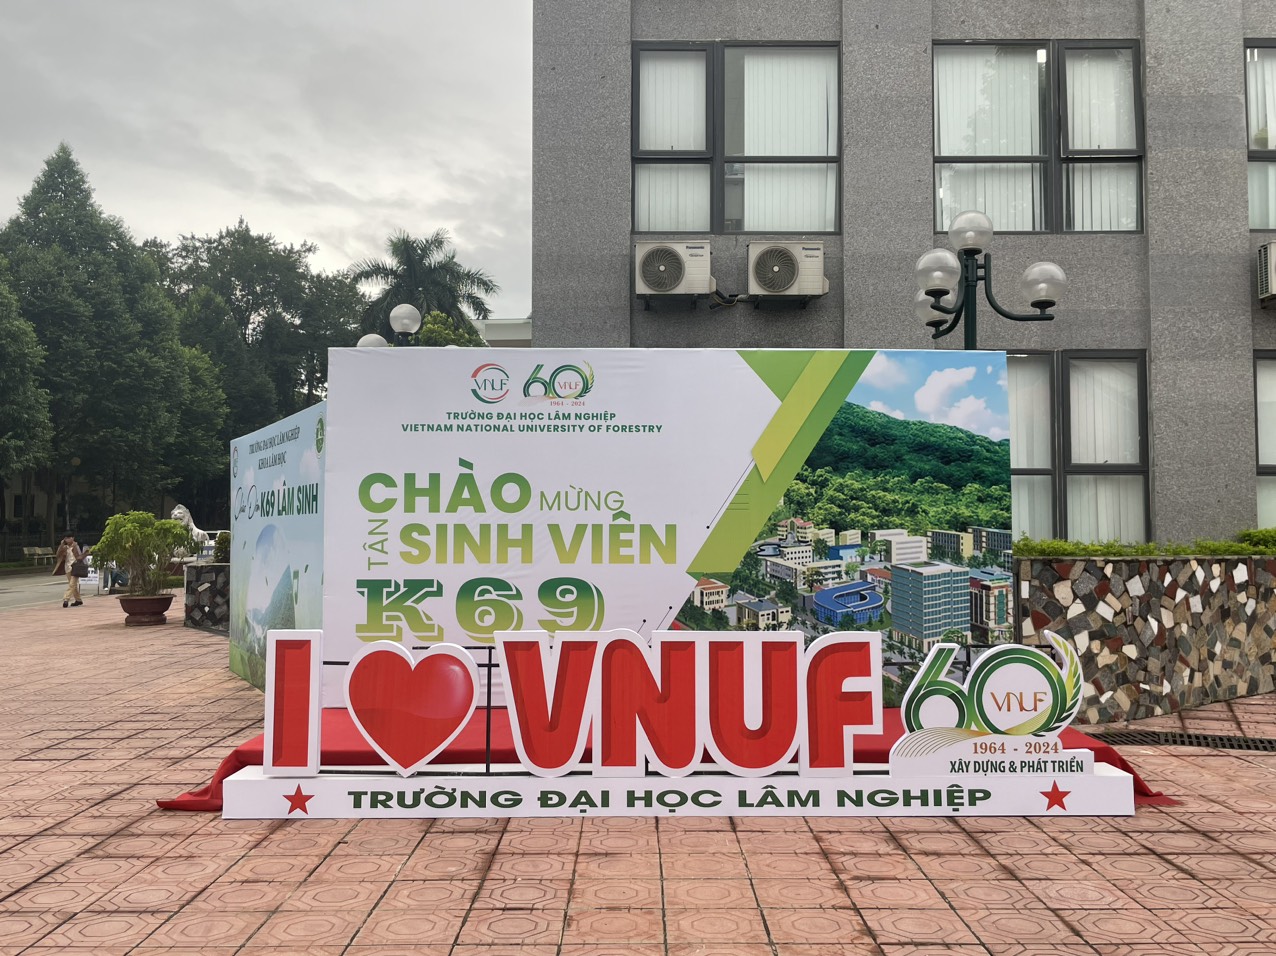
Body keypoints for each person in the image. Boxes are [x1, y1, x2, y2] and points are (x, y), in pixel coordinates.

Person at [52, 534, 84, 608]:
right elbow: (57, 555)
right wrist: (61, 545)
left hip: (76, 567)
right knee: (73, 585)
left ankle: (66, 599)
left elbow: (81, 555)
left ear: (73, 538)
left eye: (69, 538)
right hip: (68, 568)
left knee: (72, 584)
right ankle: (78, 600)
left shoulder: (77, 546)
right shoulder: (64, 547)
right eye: (66, 538)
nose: (67, 539)